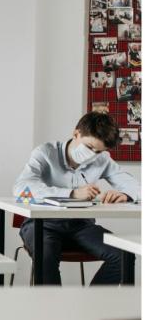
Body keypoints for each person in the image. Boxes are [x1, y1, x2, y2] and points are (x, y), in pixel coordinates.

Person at [12, 112, 140, 285]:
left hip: (81, 225)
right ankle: (52, 310)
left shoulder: (102, 159)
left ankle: (90, 308)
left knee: (124, 255)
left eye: (99, 151)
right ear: (76, 134)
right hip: (42, 224)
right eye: (89, 147)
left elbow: (137, 188)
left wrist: (125, 194)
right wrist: (71, 193)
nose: (92, 154)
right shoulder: (45, 153)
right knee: (46, 255)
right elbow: (21, 191)